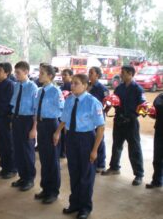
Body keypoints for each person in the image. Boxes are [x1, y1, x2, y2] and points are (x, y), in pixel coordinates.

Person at [54, 74, 105, 219]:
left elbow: (100, 128)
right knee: (74, 172)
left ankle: (85, 207)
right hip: (71, 138)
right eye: (72, 83)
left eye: (76, 83)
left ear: (84, 85)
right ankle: (75, 203)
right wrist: (57, 132)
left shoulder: (93, 102)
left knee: (86, 175)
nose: (72, 86)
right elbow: (64, 119)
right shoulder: (69, 100)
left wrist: (95, 150)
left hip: (86, 139)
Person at [102, 65, 145, 186]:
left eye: (123, 73)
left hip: (131, 123)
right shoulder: (119, 88)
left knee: (134, 148)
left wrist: (134, 116)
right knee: (116, 145)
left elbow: (143, 107)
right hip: (119, 120)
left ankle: (139, 175)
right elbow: (113, 101)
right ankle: (114, 168)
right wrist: (107, 107)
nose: (121, 75)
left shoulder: (138, 89)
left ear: (130, 74)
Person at [34, 64, 64, 204]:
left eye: (42, 73)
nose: (39, 75)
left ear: (50, 76)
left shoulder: (56, 91)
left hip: (51, 124)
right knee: (44, 159)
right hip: (41, 125)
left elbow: (64, 112)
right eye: (40, 73)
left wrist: (58, 131)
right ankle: (45, 188)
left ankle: (53, 191)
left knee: (52, 159)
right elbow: (36, 110)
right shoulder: (40, 91)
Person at [10, 61, 38, 191]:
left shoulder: (33, 88)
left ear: (26, 72)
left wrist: (34, 128)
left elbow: (36, 110)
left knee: (27, 151)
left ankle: (30, 179)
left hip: (28, 121)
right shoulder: (16, 86)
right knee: (18, 150)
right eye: (15, 72)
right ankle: (22, 176)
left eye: (18, 72)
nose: (16, 75)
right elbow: (14, 105)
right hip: (16, 120)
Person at [0, 62, 17, 179]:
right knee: (0, 144)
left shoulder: (10, 85)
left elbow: (11, 105)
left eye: (0, 70)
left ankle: (12, 169)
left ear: (7, 73)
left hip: (6, 119)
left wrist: (11, 120)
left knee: (8, 145)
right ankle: (4, 167)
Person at [88, 66, 109, 173]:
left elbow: (107, 104)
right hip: (87, 119)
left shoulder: (102, 89)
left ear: (97, 75)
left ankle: (101, 164)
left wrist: (103, 113)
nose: (89, 74)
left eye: (91, 73)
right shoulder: (86, 86)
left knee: (99, 140)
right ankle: (91, 161)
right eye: (89, 72)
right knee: (89, 140)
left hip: (97, 118)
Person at [146, 93, 163, 189]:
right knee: (157, 158)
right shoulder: (160, 97)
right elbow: (154, 113)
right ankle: (157, 180)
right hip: (160, 130)